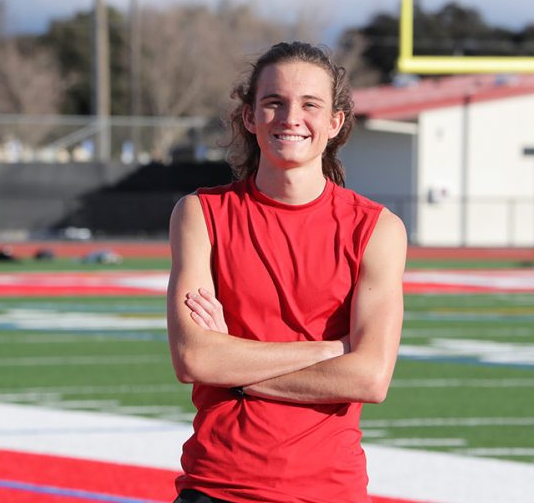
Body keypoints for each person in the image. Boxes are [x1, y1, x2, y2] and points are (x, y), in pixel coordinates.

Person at [166, 41, 406, 503]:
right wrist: (333, 351)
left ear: (335, 123)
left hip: (329, 490)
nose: (291, 117)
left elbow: (370, 378)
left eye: (310, 104)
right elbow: (194, 360)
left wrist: (232, 368)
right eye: (274, 103)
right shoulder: (200, 213)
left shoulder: (377, 229)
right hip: (216, 486)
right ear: (250, 117)